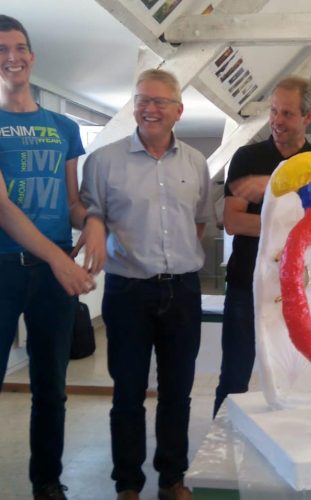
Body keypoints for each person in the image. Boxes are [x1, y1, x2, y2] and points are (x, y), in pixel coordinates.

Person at [81, 69, 212, 500]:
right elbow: (90, 215)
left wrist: (174, 261)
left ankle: (172, 478)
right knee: (127, 394)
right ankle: (128, 484)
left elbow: (198, 223)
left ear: (178, 110)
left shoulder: (196, 163)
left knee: (177, 393)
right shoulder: (103, 161)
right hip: (128, 293)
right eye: (142, 100)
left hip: (183, 292)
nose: (150, 109)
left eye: (159, 102)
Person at [0, 14, 104, 500]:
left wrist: (95, 221)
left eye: (19, 47)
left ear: (32, 55)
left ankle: (47, 483)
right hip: (4, 269)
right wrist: (60, 261)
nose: (12, 57)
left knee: (51, 388)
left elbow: (73, 202)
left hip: (52, 278)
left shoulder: (63, 126)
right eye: (1, 50)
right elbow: (4, 208)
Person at [213, 75, 311, 417]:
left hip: (302, 288)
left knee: (300, 377)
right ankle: (221, 446)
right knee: (234, 376)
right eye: (274, 111)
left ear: (308, 116)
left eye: (287, 114)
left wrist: (271, 188)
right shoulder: (246, 157)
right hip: (247, 284)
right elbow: (234, 222)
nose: (277, 121)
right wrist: (299, 224)